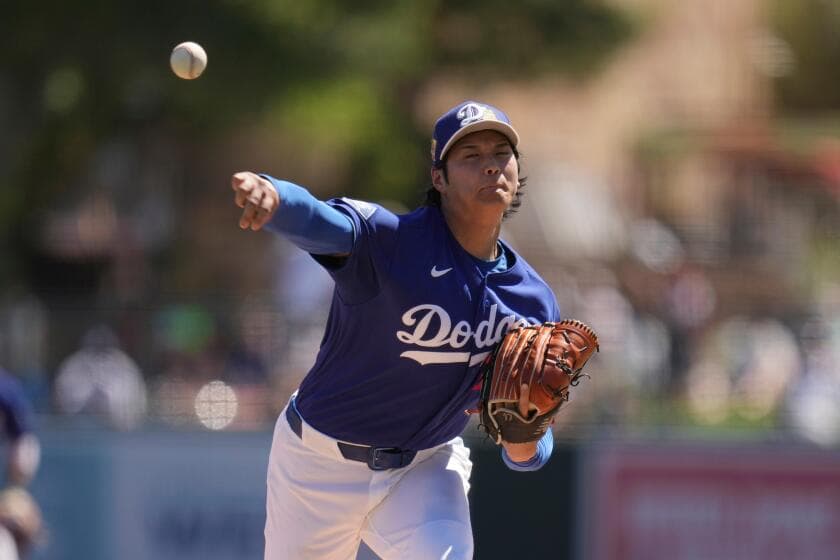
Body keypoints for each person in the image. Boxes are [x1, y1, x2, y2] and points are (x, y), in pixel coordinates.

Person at [231, 100, 561, 560]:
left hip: (425, 467)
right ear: (439, 178)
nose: (490, 167)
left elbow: (528, 450)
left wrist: (526, 437)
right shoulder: (392, 243)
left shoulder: (531, 300)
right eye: (471, 157)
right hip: (317, 464)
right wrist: (276, 197)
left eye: (500, 154)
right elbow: (323, 224)